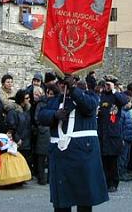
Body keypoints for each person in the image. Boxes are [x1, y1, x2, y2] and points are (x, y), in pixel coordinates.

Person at [38, 75, 108, 211]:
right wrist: (54, 115)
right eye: (62, 83)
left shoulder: (90, 96)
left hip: (82, 155)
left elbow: (89, 107)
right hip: (60, 155)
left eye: (67, 83)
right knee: (62, 200)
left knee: (84, 198)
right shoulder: (54, 101)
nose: (64, 86)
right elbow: (41, 116)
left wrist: (74, 90)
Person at [98, 76, 128, 192]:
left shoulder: (117, 96)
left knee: (113, 161)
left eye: (109, 85)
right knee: (104, 160)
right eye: (106, 84)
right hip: (102, 132)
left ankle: (113, 183)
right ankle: (105, 182)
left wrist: (114, 90)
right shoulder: (102, 96)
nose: (107, 87)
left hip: (113, 133)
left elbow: (124, 101)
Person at [34, 84, 59, 185]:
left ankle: (50, 178)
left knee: (50, 157)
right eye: (49, 93)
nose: (50, 96)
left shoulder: (56, 102)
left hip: (52, 131)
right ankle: (42, 178)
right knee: (41, 156)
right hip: (43, 132)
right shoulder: (41, 104)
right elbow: (37, 118)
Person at [5, 89, 32, 171]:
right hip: (17, 142)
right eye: (26, 98)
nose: (29, 100)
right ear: (21, 99)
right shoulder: (13, 112)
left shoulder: (26, 110)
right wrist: (17, 138)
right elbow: (11, 127)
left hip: (26, 141)